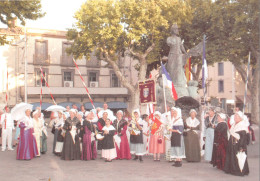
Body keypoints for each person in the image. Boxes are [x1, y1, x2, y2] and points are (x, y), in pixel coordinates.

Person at [224, 111, 249, 176]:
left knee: (238, 158)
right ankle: (231, 169)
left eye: (236, 116)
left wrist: (241, 147)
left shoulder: (242, 125)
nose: (235, 117)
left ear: (240, 118)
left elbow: (243, 137)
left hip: (238, 144)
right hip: (232, 144)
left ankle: (238, 171)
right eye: (234, 116)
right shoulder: (234, 124)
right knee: (232, 157)